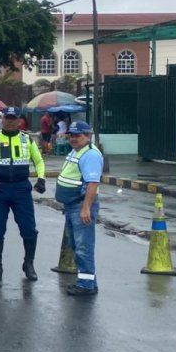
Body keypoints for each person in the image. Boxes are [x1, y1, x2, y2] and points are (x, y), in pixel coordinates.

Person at [0, 106, 47, 282]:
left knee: (29, 229)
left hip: (21, 189)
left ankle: (28, 264)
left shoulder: (26, 139)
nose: (10, 121)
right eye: (7, 118)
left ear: (19, 120)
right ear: (3, 119)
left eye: (13, 118)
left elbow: (38, 161)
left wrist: (41, 178)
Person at [55, 120, 103, 296]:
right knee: (76, 245)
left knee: (83, 246)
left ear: (87, 135)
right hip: (72, 205)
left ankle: (86, 285)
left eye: (78, 135)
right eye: (71, 135)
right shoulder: (76, 151)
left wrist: (85, 208)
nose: (73, 139)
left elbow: (92, 183)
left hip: (80, 205)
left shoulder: (90, 154)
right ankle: (88, 281)